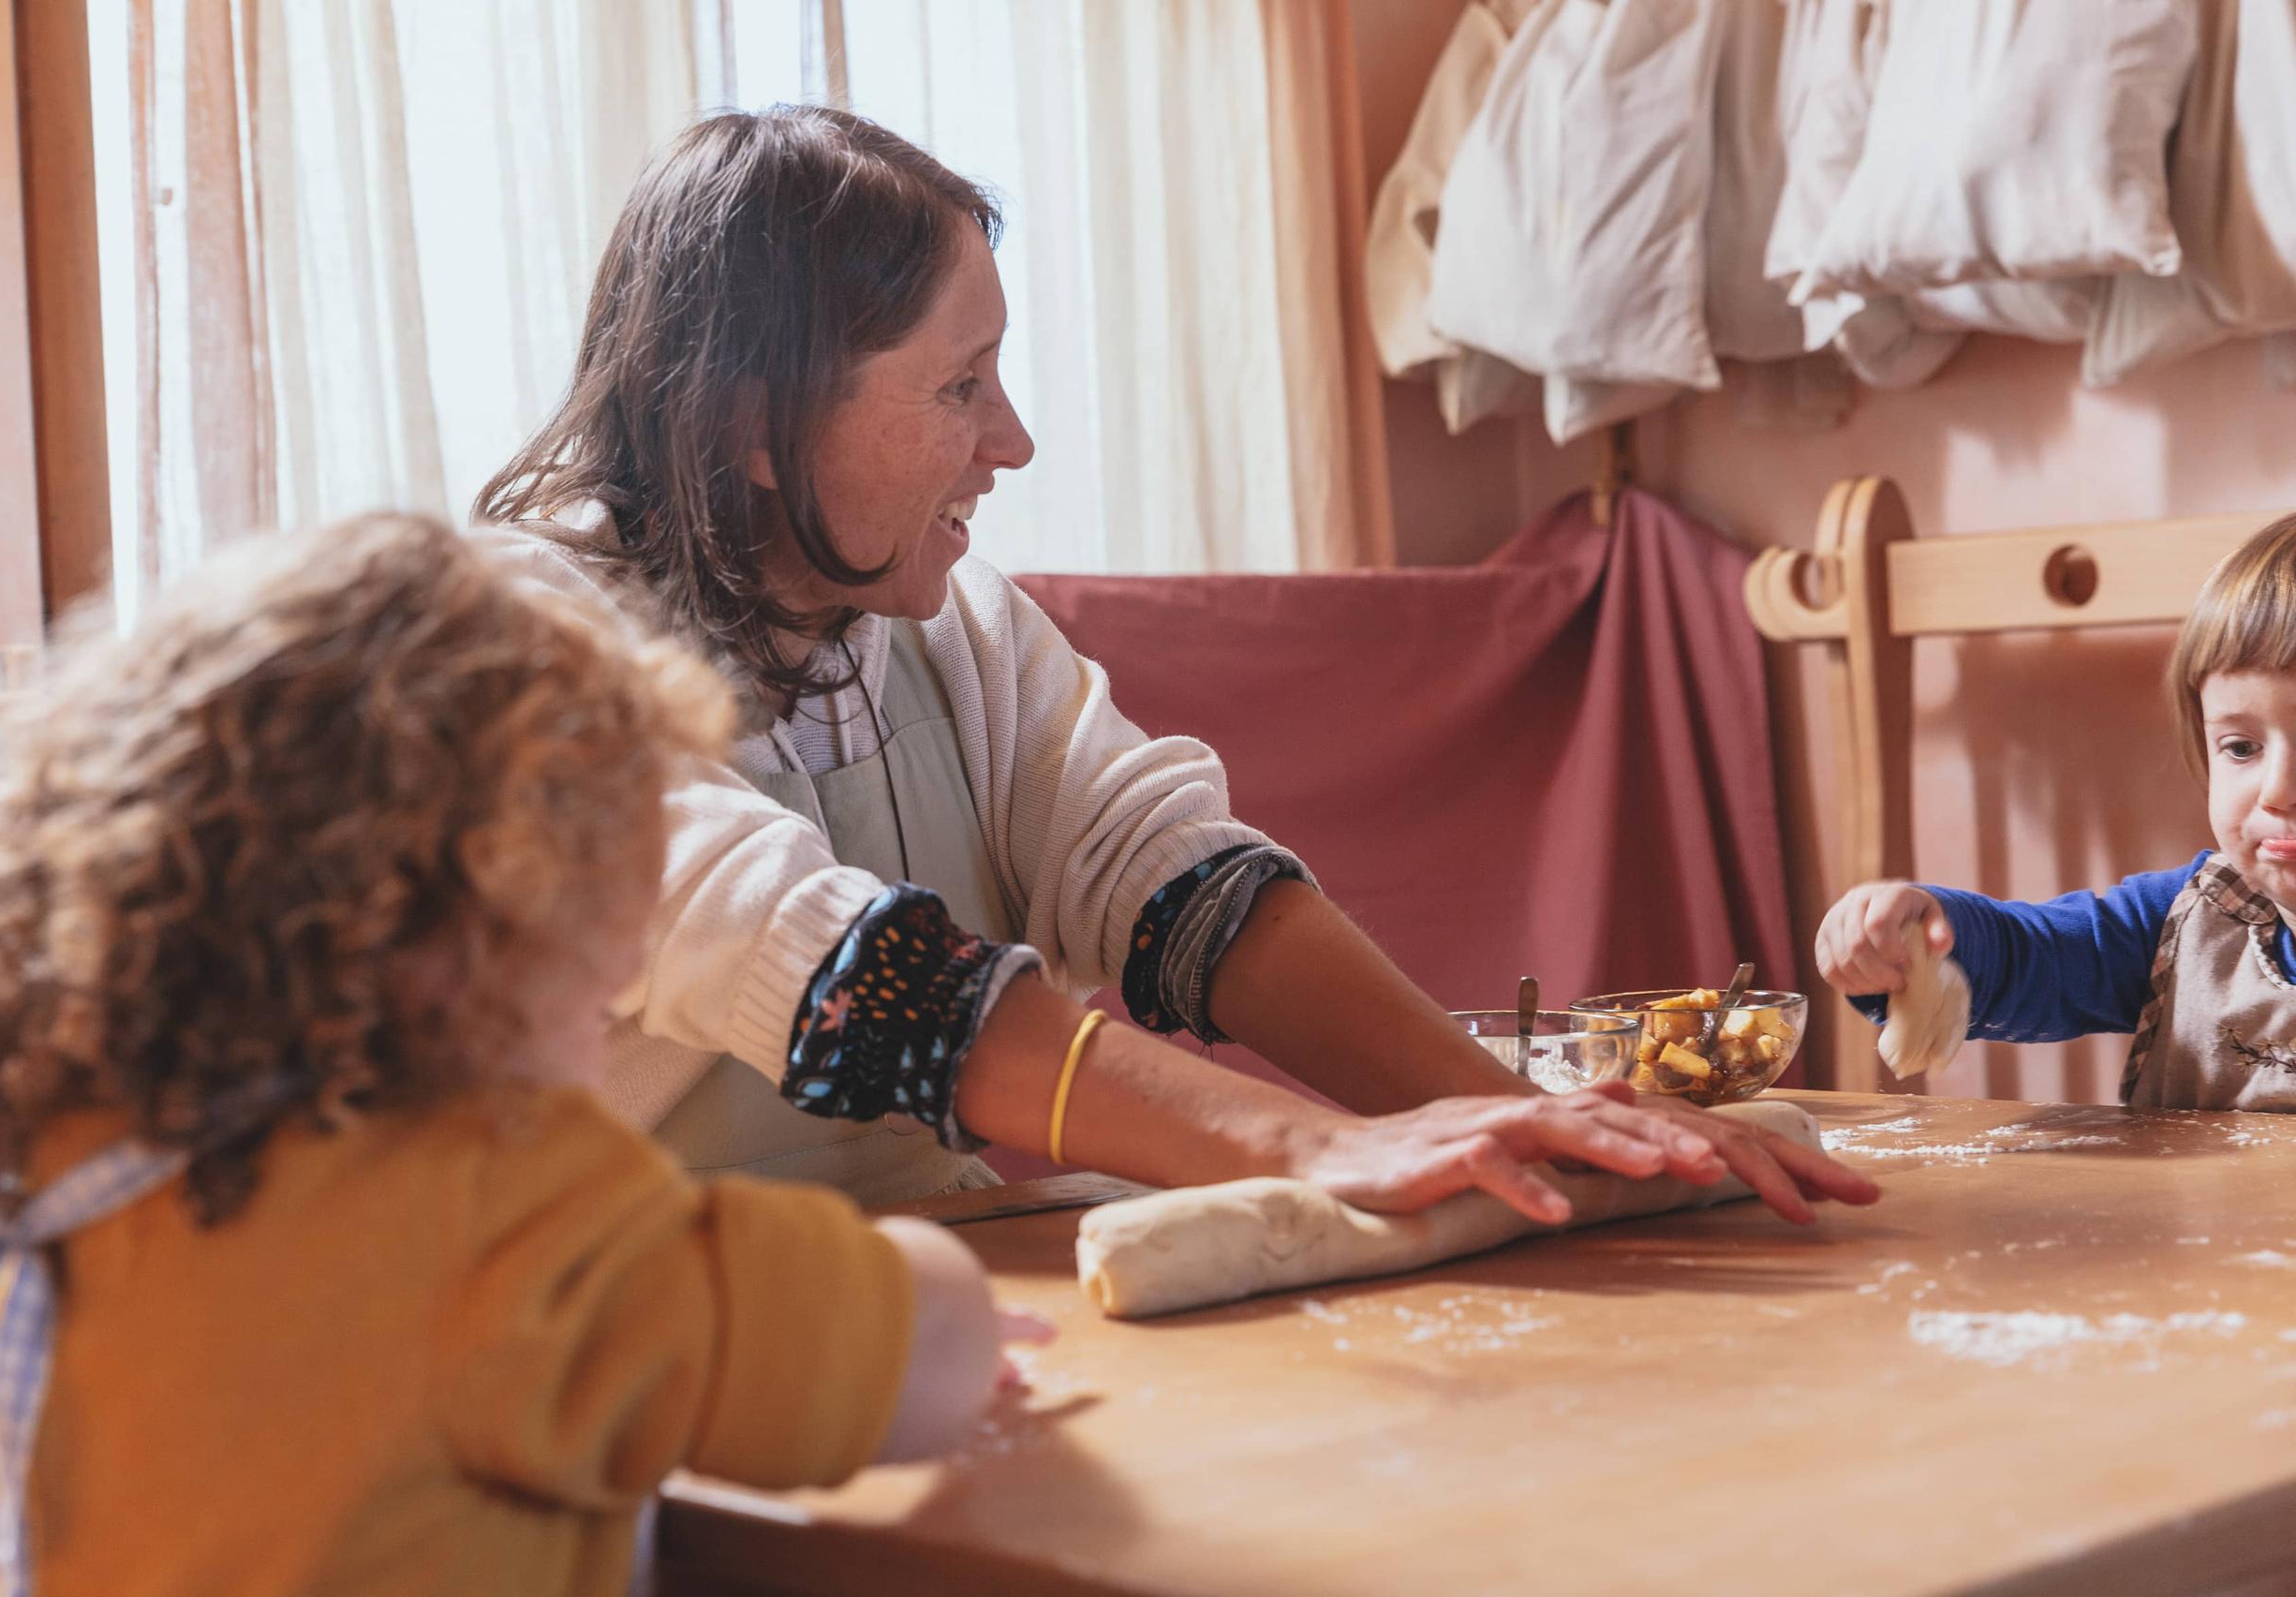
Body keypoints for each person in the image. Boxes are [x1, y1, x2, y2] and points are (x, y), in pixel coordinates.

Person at [477, 105, 1876, 1223]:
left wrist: (1501, 1114)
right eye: (960, 385)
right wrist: (1312, 1145)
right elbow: (808, 948)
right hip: (609, 1340)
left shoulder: (946, 625)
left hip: (904, 1293)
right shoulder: (521, 649)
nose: (1011, 439)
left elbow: (1172, 878)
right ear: (754, 423)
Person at [0, 516, 1040, 1597]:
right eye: (595, 1000)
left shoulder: (39, 1187)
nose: (603, 1041)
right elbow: (914, 1364)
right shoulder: (501, 1220)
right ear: (464, 950)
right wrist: (938, 1288)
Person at [1818, 513, 2296, 1110]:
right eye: (2241, 748)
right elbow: (2030, 956)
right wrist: (1917, 938)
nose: (2276, 790)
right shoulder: (2189, 921)